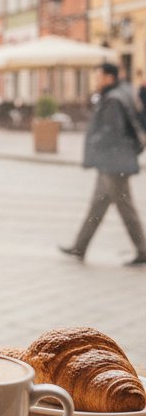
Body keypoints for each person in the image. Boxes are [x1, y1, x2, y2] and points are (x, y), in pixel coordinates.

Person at [60, 62, 146, 266]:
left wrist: (95, 142)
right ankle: (79, 246)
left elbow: (112, 132)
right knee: (97, 207)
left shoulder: (113, 100)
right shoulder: (117, 94)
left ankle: (143, 250)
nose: (96, 80)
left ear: (109, 77)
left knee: (126, 208)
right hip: (112, 163)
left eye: (99, 76)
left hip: (114, 165)